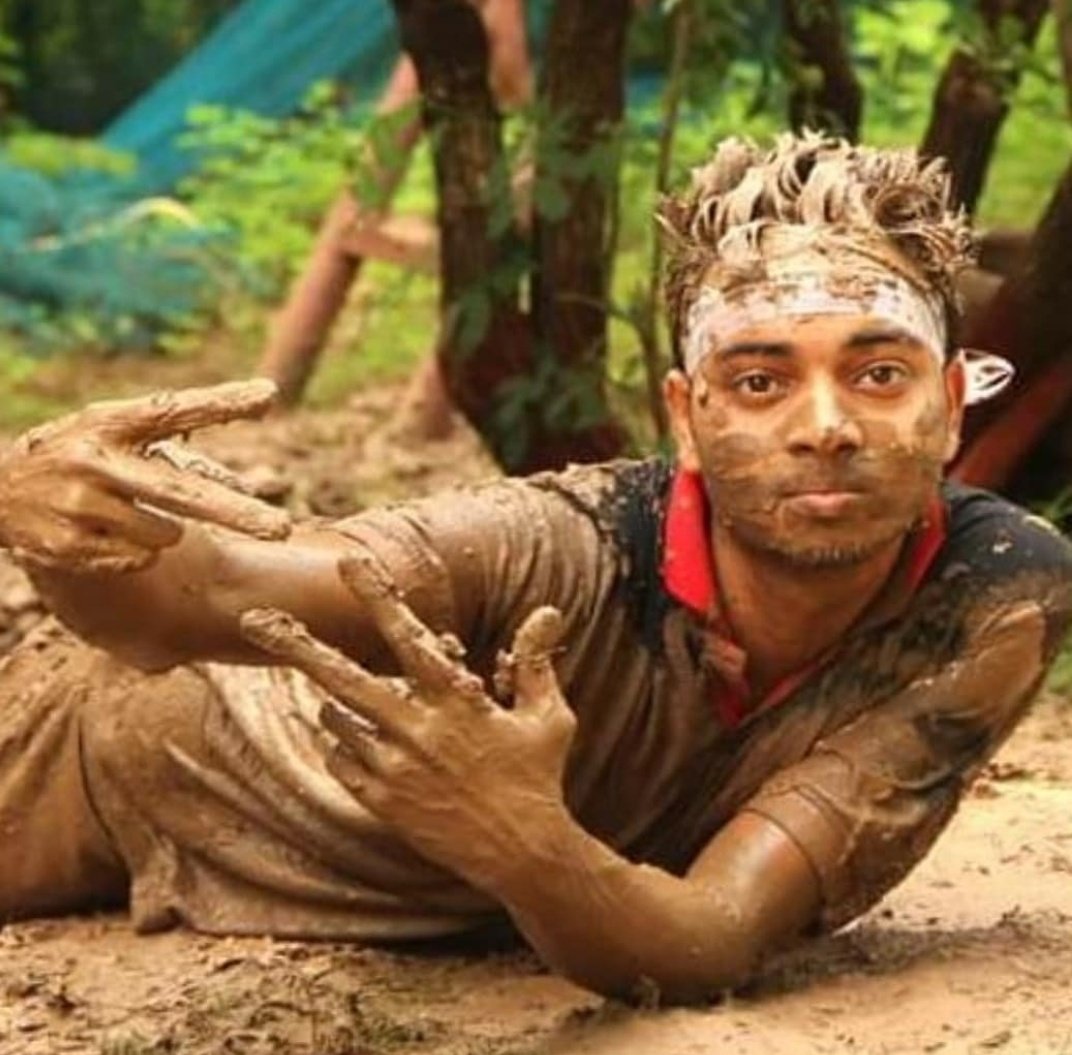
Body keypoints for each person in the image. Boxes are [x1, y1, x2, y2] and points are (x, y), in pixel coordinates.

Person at [1, 133, 1069, 1005]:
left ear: (949, 404)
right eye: (759, 380)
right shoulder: (562, 542)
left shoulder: (995, 593)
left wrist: (523, 840)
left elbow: (705, 940)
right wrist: (56, 516)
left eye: (878, 374)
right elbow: (210, 596)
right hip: (141, 755)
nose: (826, 425)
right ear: (685, 419)